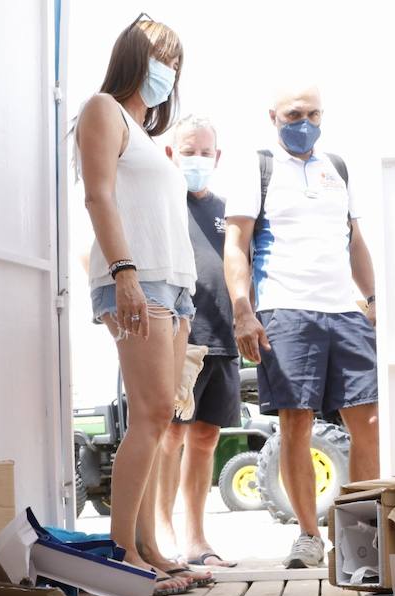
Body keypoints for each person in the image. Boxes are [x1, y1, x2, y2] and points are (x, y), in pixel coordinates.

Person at [76, 16, 210, 595]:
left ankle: (151, 545)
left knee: (163, 418)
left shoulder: (149, 134)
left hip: (173, 288)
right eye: (163, 58)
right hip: (137, 279)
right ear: (136, 57)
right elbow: (97, 194)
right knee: (152, 412)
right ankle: (123, 549)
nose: (169, 71)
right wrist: (125, 272)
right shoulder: (103, 108)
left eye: (176, 63)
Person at [223, 84, 380, 568]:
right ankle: (310, 537)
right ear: (273, 116)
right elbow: (236, 244)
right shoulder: (258, 165)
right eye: (294, 113)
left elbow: (355, 242)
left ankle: (361, 538)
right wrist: (243, 310)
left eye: (313, 113)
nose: (304, 122)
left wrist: (374, 299)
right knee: (297, 422)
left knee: (369, 422)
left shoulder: (338, 167)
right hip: (285, 309)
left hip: (344, 312)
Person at [151, 115, 239, 569]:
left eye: (206, 151)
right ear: (171, 153)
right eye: (189, 150)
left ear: (218, 157)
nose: (198, 159)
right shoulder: (157, 203)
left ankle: (196, 539)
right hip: (177, 340)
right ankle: (162, 532)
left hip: (222, 339)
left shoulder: (229, 212)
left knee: (205, 438)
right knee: (171, 434)